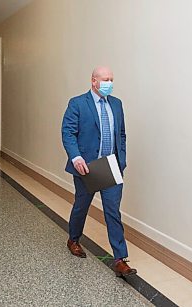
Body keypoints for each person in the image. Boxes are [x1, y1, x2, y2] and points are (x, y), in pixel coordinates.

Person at [61, 66, 136, 277]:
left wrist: (121, 160)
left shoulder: (117, 104)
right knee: (81, 206)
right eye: (105, 79)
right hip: (87, 168)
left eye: (111, 79)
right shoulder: (77, 103)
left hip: (111, 166)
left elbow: (121, 134)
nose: (109, 83)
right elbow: (68, 132)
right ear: (93, 81)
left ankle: (120, 260)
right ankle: (73, 239)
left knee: (113, 211)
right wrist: (76, 158)